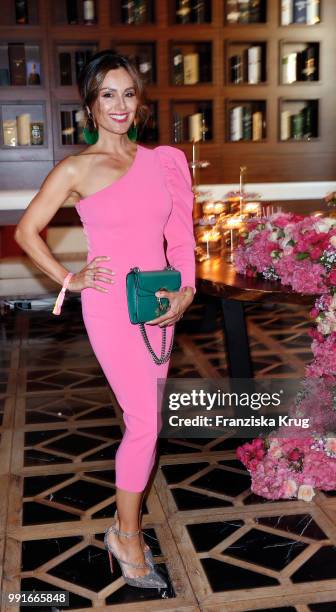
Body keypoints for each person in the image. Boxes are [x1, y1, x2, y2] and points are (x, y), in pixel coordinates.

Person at [14, 50, 196, 588]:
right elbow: (28, 232)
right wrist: (70, 279)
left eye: (129, 93)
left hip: (160, 304)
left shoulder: (165, 160)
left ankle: (125, 521)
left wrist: (184, 290)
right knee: (145, 423)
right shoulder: (77, 168)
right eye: (108, 95)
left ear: (139, 102)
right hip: (112, 306)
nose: (120, 105)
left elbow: (181, 238)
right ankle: (127, 534)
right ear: (91, 105)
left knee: (141, 416)